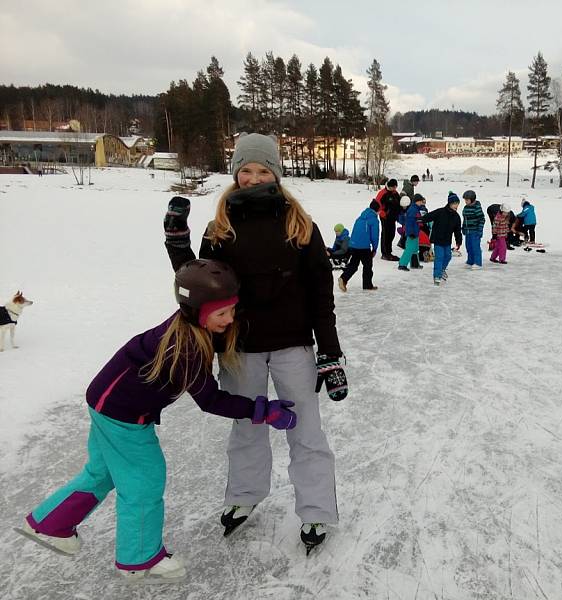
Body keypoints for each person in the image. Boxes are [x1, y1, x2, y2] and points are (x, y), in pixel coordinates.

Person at [18, 260, 298, 583]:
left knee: (101, 473)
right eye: (222, 314)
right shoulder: (188, 347)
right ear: (198, 312)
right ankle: (138, 560)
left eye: (232, 310)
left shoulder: (188, 324)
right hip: (122, 416)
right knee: (145, 479)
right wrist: (262, 410)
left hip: (106, 401)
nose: (229, 319)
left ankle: (49, 524)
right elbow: (210, 400)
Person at [163, 133, 346, 553]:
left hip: (293, 347)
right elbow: (203, 288)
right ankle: (244, 497)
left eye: (263, 170)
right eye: (246, 169)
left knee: (307, 433)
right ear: (235, 172)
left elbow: (321, 292)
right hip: (238, 349)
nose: (253, 177)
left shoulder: (300, 226)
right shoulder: (220, 227)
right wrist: (178, 249)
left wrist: (330, 352)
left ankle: (316, 509)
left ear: (277, 174)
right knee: (246, 426)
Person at [421, 192, 463, 286]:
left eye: (457, 204)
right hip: (438, 240)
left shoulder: (456, 217)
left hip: (447, 241)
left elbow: (457, 231)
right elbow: (430, 216)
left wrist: (459, 241)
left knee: (448, 256)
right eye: (454, 204)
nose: (456, 206)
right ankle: (437, 275)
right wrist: (421, 219)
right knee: (439, 257)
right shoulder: (440, 212)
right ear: (450, 203)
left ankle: (442, 270)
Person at [340, 200, 381, 290]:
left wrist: (352, 244)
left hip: (353, 245)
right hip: (364, 247)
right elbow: (375, 236)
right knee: (367, 266)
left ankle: (343, 278)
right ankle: (367, 285)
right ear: (377, 210)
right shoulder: (374, 220)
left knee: (353, 265)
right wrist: (374, 249)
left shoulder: (360, 218)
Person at [398, 194, 426, 271]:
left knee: (415, 249)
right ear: (417, 201)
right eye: (420, 201)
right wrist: (410, 233)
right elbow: (409, 223)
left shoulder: (416, 209)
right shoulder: (412, 210)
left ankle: (415, 264)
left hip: (415, 232)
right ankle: (402, 264)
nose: (421, 202)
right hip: (412, 233)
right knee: (409, 249)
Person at [376, 179, 401, 261]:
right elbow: (376, 204)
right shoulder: (382, 193)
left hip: (393, 217)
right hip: (385, 217)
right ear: (389, 186)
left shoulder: (396, 193)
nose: (394, 189)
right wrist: (381, 212)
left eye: (395, 187)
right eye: (392, 187)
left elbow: (399, 203)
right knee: (385, 234)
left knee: (392, 234)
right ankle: (385, 253)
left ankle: (389, 252)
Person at [461, 190, 485, 269]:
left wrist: (480, 230)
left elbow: (482, 219)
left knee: (475, 247)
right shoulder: (466, 207)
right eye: (465, 200)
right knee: (469, 247)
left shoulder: (477, 208)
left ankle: (478, 263)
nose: (465, 201)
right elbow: (465, 219)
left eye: (467, 200)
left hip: (475, 231)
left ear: (472, 199)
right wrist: (463, 228)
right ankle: (470, 261)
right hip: (468, 231)